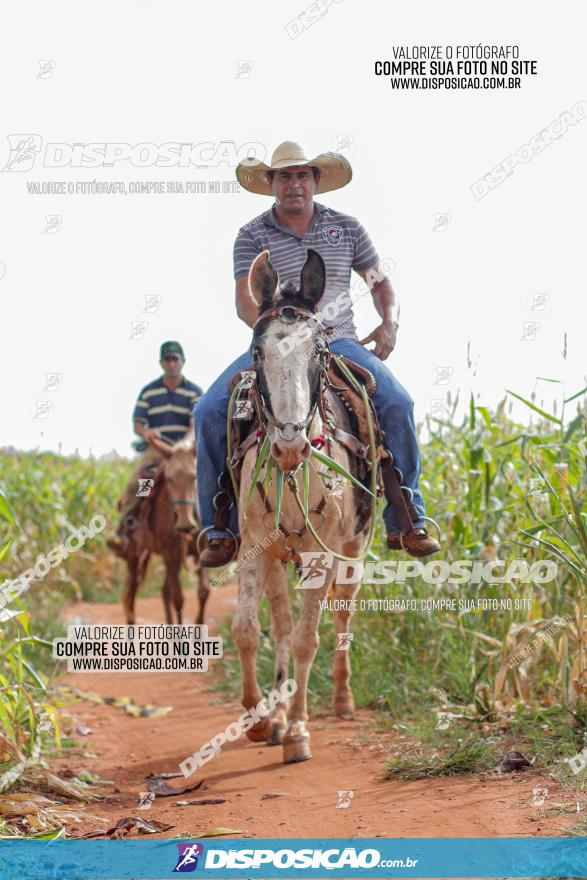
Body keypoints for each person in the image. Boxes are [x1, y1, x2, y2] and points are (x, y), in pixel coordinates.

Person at [195, 141, 440, 567]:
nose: (294, 184)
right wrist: (276, 335)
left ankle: (407, 514)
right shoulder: (251, 235)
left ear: (316, 180)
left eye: (302, 175)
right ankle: (220, 527)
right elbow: (243, 299)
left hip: (338, 341)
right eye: (285, 176)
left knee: (398, 403)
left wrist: (389, 322)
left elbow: (379, 282)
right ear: (271, 183)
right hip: (273, 346)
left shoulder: (346, 227)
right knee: (208, 412)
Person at [108, 341, 203, 558]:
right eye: (167, 360)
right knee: (139, 484)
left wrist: (187, 442)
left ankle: (219, 532)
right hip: (158, 451)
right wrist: (147, 435)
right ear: (161, 363)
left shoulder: (194, 392)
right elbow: (138, 423)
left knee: (208, 479)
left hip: (185, 452)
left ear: (183, 361)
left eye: (175, 359)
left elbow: (195, 424)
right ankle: (126, 530)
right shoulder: (149, 392)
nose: (171, 364)